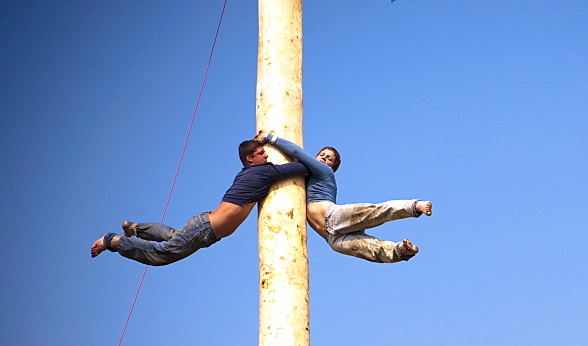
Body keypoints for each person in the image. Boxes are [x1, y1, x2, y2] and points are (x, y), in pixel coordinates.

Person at [91, 139, 309, 266]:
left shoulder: (249, 171)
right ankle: (112, 241)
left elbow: (253, 151)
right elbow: (303, 167)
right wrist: (322, 165)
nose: (267, 157)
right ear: (250, 159)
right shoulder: (264, 172)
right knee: (163, 254)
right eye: (262, 153)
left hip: (205, 225)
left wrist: (260, 140)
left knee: (173, 235)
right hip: (206, 227)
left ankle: (135, 228)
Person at [255, 130, 432, 263]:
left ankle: (415, 205)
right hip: (332, 238)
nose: (324, 159)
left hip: (335, 216)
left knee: (376, 212)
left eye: (329, 159)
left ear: (332, 167)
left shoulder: (324, 172)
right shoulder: (301, 181)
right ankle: (402, 251)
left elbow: (298, 153)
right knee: (370, 249)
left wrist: (270, 138)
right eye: (322, 155)